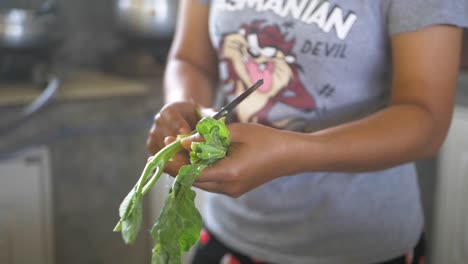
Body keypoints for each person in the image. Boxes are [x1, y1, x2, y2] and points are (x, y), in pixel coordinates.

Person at [146, 0, 468, 263]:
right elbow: (191, 60)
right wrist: (186, 109)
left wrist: (295, 151)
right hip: (229, 233)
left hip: (361, 246)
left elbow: (426, 118)